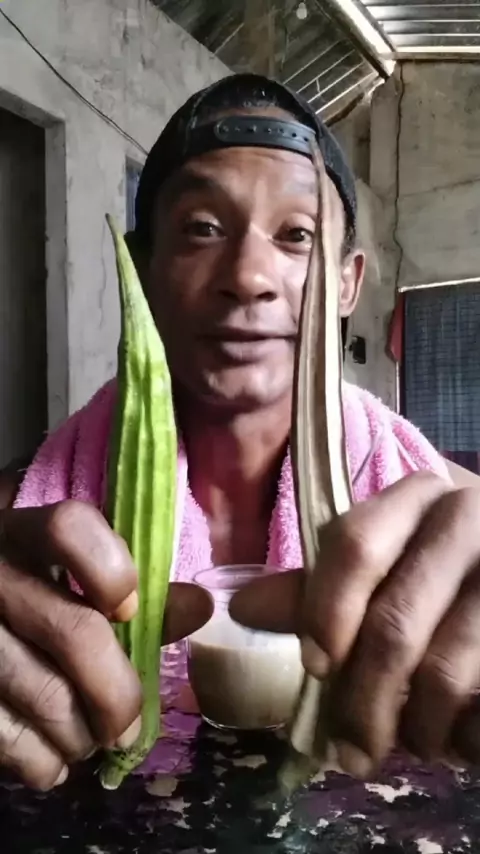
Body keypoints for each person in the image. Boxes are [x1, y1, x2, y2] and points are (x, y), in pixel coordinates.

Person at [1, 73, 480, 793]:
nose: (249, 276)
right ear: (143, 269)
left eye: (298, 235)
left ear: (347, 283)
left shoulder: (452, 513)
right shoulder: (20, 524)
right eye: (202, 228)